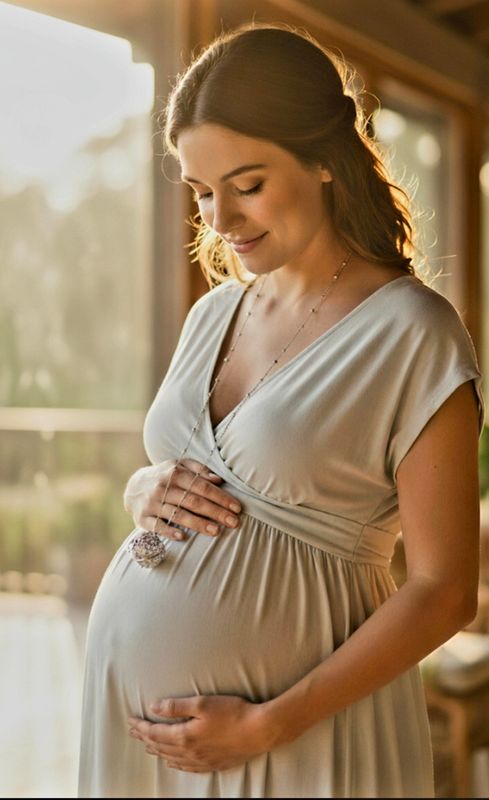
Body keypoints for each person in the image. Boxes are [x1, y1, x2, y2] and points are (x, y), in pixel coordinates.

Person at [78, 21, 485, 799]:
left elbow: (443, 593)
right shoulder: (212, 315)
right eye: (201, 191)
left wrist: (269, 724)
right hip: (140, 738)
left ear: (323, 161)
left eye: (247, 183)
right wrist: (144, 489)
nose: (220, 220)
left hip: (301, 737)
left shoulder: (411, 332)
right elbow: (200, 471)